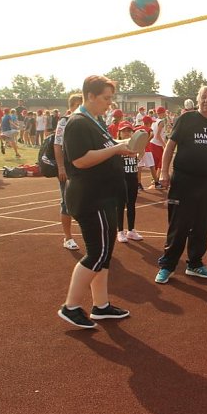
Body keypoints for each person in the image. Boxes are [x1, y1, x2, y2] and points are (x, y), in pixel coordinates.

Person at [58, 75, 134, 329]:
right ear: (90, 96)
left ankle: (100, 306)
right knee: (97, 253)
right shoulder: (78, 123)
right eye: (106, 98)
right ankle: (71, 306)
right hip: (90, 197)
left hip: (103, 195)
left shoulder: (95, 121)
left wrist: (123, 147)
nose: (109, 104)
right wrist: (116, 148)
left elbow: (104, 150)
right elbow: (80, 160)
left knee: (105, 253)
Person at [155, 85, 207, 284]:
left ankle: (195, 263)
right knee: (179, 224)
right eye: (203, 97)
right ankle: (167, 265)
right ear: (198, 100)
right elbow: (171, 145)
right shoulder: (187, 119)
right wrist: (164, 171)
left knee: (202, 224)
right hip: (184, 179)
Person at [54, 94, 81, 250]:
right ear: (72, 105)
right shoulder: (64, 122)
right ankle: (68, 237)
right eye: (78, 105)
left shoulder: (86, 120)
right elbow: (57, 145)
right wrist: (61, 167)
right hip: (68, 169)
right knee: (66, 202)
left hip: (83, 168)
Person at [115, 123, 144, 243]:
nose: (127, 132)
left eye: (129, 130)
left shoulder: (135, 146)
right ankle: (120, 231)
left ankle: (131, 230)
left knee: (131, 204)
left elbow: (141, 155)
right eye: (124, 130)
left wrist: (141, 146)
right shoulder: (116, 145)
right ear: (119, 133)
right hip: (121, 179)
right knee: (120, 205)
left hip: (132, 178)